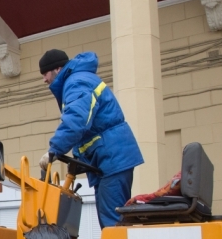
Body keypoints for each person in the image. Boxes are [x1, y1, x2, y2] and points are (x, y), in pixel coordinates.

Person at [38, 49, 144, 228]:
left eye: (45, 73)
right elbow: (90, 129)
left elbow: (77, 120)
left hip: (112, 159)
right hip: (108, 159)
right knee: (112, 220)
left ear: (57, 69)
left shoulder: (77, 82)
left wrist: (54, 150)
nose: (44, 80)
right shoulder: (80, 80)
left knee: (113, 223)